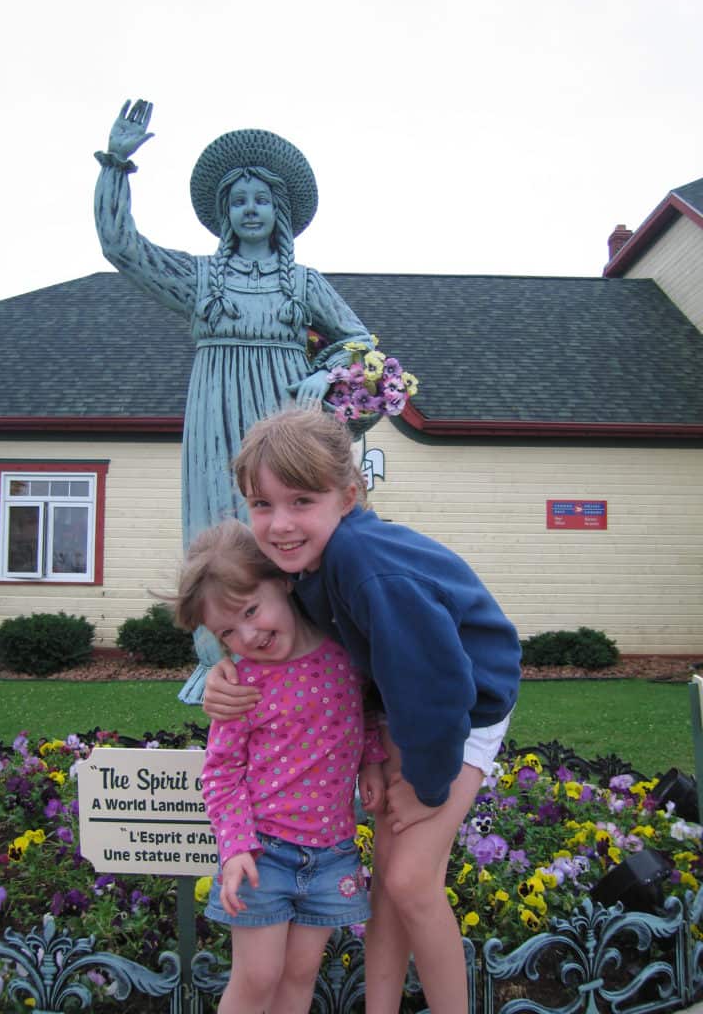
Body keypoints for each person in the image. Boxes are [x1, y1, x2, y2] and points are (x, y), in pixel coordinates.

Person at [202, 406, 522, 1014]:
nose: (279, 523)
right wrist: (226, 663)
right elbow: (238, 598)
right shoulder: (304, 558)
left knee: (409, 880)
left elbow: (436, 688)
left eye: (300, 500)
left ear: (348, 496)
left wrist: (427, 787)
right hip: (405, 702)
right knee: (389, 882)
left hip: (465, 706)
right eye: (262, 505)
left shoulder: (366, 566)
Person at [94, 99, 375, 700]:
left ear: (281, 212)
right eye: (239, 200)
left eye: (262, 199)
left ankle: (307, 647)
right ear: (224, 213)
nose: (251, 209)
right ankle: (218, 657)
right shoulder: (201, 280)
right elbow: (123, 249)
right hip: (216, 408)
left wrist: (324, 375)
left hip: (283, 414)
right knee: (218, 523)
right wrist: (116, 164)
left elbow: (359, 341)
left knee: (291, 526)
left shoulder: (303, 283)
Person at [173, 518, 387, 1014]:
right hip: (262, 855)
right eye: (228, 630)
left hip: (332, 851)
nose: (248, 634)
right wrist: (234, 848)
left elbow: (366, 712)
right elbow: (220, 773)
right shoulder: (240, 685)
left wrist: (372, 764)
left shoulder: (345, 655)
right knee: (258, 977)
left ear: (282, 581)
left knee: (298, 977)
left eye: (251, 609)